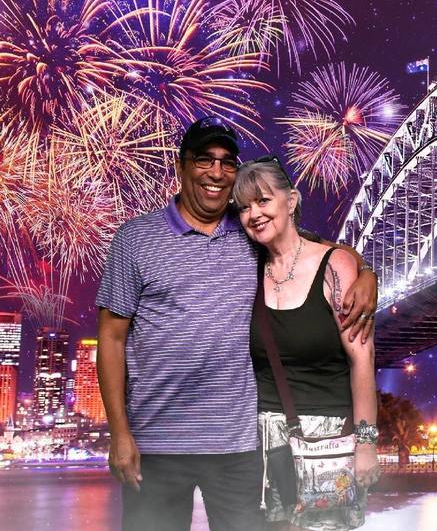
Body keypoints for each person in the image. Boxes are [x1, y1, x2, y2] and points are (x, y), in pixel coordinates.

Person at [96, 117, 378, 531]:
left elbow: (314, 249)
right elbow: (111, 339)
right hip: (155, 443)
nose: (216, 172)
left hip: (239, 448)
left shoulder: (247, 230)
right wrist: (119, 433)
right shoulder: (135, 239)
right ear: (181, 166)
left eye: (227, 162)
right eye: (204, 159)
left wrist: (366, 271)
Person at [232, 157, 380, 530]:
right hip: (264, 442)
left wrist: (366, 444)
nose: (254, 214)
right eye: (244, 207)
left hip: (329, 441)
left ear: (292, 200)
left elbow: (363, 361)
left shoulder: (335, 267)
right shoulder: (248, 267)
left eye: (263, 201)